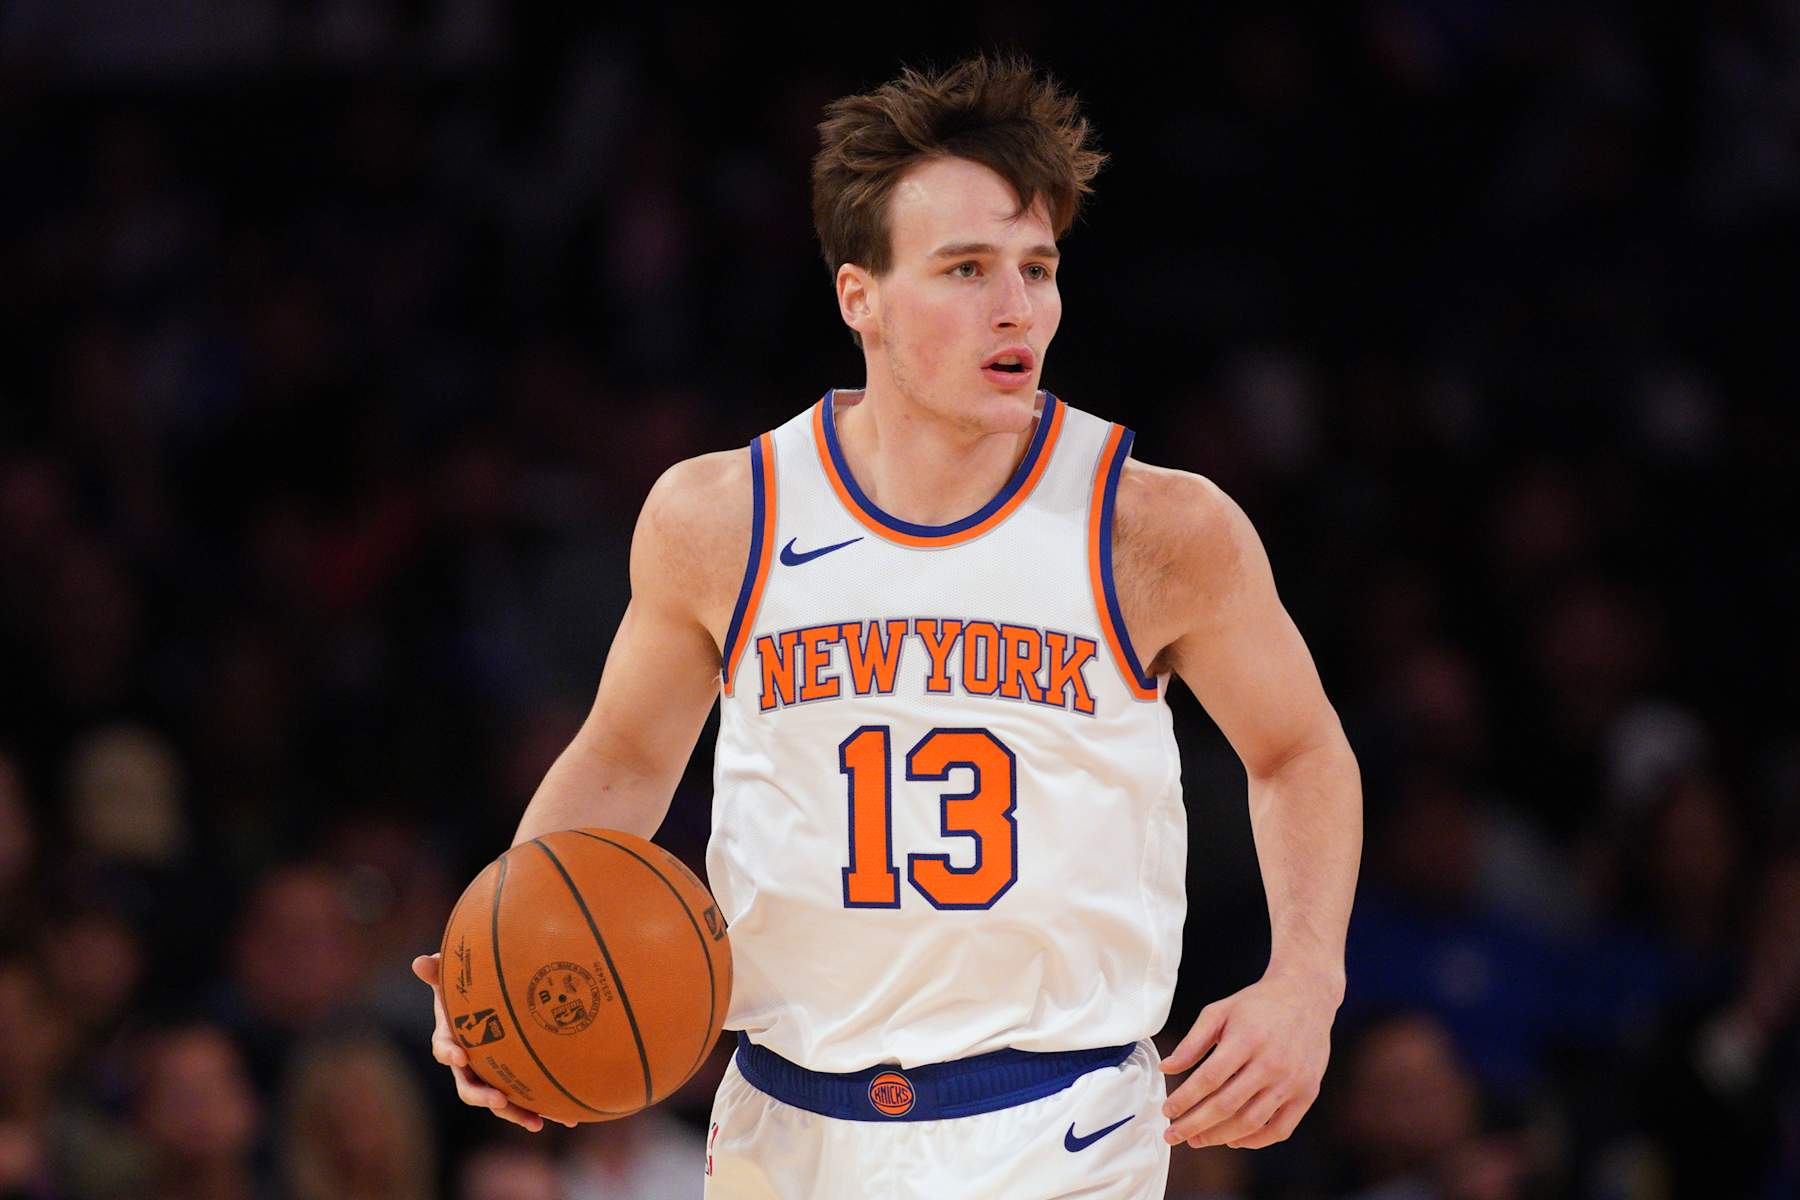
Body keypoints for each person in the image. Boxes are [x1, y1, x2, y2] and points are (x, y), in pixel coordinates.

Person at [414, 53, 1361, 1198]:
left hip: (1057, 1127)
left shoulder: (1155, 525)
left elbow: (1299, 750)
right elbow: (622, 759)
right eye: (966, 269)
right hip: (784, 1123)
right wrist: (514, 970)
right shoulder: (722, 516)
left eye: (1037, 268)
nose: (1017, 307)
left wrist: (1306, 980)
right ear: (859, 294)